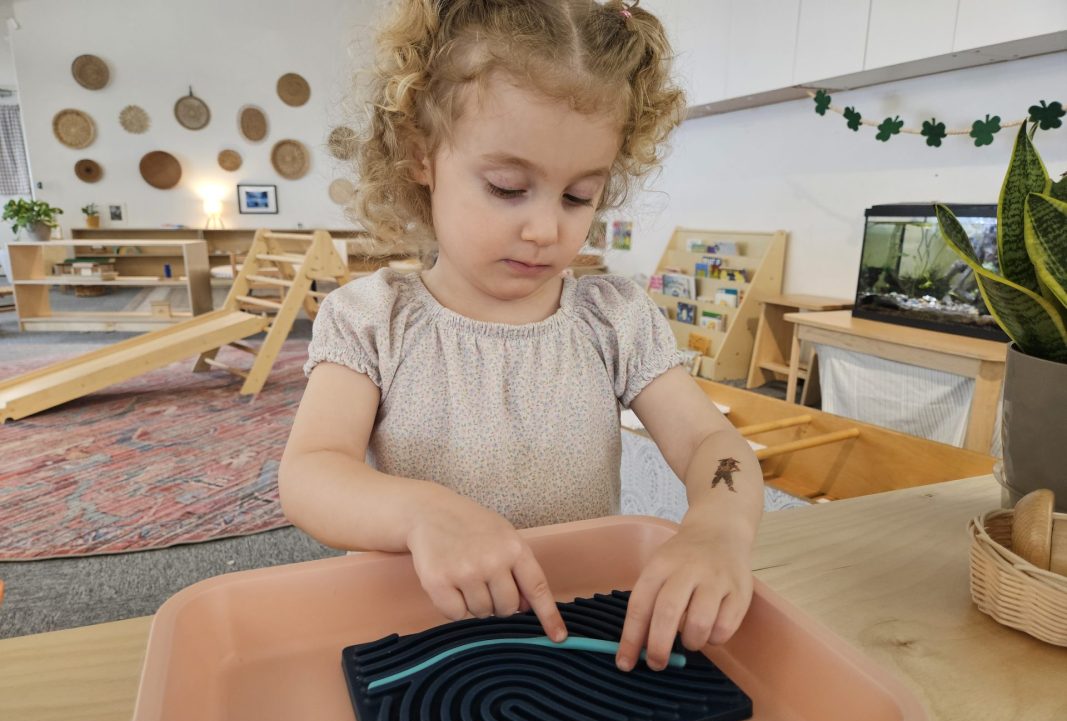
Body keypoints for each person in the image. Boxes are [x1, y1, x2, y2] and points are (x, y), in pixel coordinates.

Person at [279, 0, 763, 673]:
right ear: (421, 155)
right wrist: (420, 513)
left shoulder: (614, 317)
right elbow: (311, 471)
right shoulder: (371, 318)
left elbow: (712, 442)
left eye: (577, 196)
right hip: (423, 625)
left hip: (577, 620)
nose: (545, 229)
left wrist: (718, 526)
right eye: (508, 188)